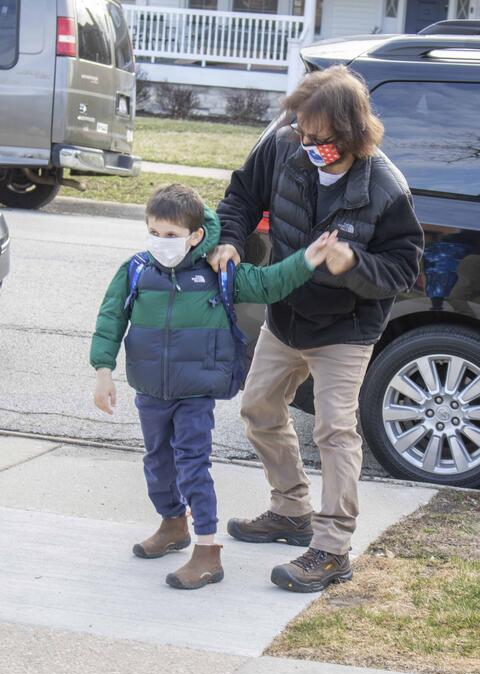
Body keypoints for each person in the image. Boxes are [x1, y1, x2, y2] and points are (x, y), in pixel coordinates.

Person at [210, 65, 424, 593]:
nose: (307, 144)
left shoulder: (385, 188)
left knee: (334, 432)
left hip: (346, 329)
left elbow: (400, 270)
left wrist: (351, 263)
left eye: (319, 138)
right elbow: (240, 197)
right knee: (258, 410)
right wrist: (231, 239)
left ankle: (332, 549)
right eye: (301, 131)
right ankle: (290, 511)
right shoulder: (286, 147)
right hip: (286, 315)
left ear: (351, 132)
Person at [90, 183, 339, 591]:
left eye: (170, 235)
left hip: (195, 393)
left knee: (192, 466)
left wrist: (308, 259)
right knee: (156, 463)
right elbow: (109, 320)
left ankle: (207, 550)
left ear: (195, 235)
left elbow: (271, 282)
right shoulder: (136, 270)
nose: (160, 242)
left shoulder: (218, 275)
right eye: (153, 232)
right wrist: (102, 370)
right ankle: (173, 524)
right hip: (150, 390)